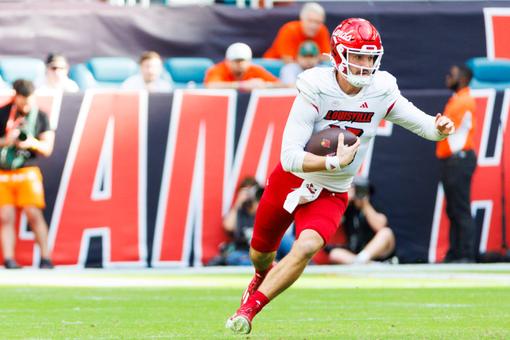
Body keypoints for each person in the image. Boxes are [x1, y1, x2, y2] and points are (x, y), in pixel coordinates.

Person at [226, 18, 455, 334]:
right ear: (338, 54)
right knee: (260, 253)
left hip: (332, 190)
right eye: (357, 56)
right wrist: (332, 162)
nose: (364, 65)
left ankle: (248, 311)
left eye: (370, 57)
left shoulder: (381, 89)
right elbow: (289, 157)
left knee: (306, 247)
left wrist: (439, 129)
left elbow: (424, 126)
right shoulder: (316, 85)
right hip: (291, 179)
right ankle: (259, 275)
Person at [0, 79, 55, 269]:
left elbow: (47, 148)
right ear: (16, 97)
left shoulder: (40, 116)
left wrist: (31, 142)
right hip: (4, 171)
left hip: (28, 170)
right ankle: (9, 259)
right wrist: (6, 141)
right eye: (23, 102)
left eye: (29, 101)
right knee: (5, 216)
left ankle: (46, 258)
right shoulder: (2, 113)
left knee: (33, 213)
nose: (26, 106)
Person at [437, 65, 477, 263]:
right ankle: (455, 252)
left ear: (461, 78)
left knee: (460, 208)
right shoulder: (458, 99)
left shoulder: (463, 101)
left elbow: (451, 131)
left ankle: (466, 254)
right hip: (452, 160)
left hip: (459, 159)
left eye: (451, 75)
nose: (447, 77)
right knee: (453, 209)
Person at [327, 177, 395, 264]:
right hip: (355, 252)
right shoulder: (348, 209)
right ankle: (368, 265)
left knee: (386, 232)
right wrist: (346, 200)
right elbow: (334, 222)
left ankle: (361, 261)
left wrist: (365, 204)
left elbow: (380, 226)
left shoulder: (374, 205)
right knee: (335, 254)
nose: (359, 193)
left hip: (377, 251)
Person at [263, 2, 330, 63]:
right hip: (274, 64)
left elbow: (326, 56)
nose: (313, 25)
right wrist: (312, 60)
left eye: (318, 22)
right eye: (310, 21)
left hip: (307, 66)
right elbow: (287, 59)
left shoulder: (322, 30)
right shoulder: (289, 30)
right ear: (302, 19)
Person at [204, 42, 284, 90]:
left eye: (243, 61)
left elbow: (279, 84)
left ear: (249, 61)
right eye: (236, 61)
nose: (240, 64)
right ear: (227, 61)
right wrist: (242, 85)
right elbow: (211, 85)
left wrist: (265, 85)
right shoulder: (219, 69)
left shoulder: (254, 69)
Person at [222, 177, 264, 266]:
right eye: (246, 191)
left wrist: (258, 202)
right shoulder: (240, 212)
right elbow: (228, 226)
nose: (249, 194)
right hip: (245, 252)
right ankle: (269, 265)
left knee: (285, 239)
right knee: (233, 257)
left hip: (265, 251)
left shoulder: (262, 208)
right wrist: (238, 202)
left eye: (251, 190)